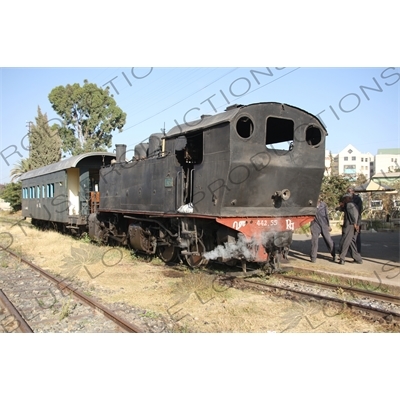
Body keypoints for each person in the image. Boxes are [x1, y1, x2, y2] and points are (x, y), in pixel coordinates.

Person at [338, 193, 363, 265]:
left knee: (345, 241)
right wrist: (357, 224)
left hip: (349, 225)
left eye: (344, 199)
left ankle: (342, 258)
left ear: (347, 198)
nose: (344, 201)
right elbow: (359, 215)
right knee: (352, 243)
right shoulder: (355, 205)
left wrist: (354, 223)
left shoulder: (349, 205)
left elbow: (351, 215)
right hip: (355, 226)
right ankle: (358, 258)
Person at [310, 197, 335, 263]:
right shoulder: (312, 205)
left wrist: (329, 225)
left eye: (318, 199)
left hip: (324, 224)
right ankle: (313, 257)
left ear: (320, 200)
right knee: (314, 241)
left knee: (328, 240)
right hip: (315, 225)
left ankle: (334, 254)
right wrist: (311, 227)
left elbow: (327, 215)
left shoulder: (324, 205)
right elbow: (310, 216)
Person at [347, 186, 363, 253]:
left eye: (350, 191)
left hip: (356, 220)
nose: (349, 193)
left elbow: (359, 211)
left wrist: (357, 223)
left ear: (353, 192)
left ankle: (357, 252)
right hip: (349, 221)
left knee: (356, 237)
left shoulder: (357, 199)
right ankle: (351, 250)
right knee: (348, 237)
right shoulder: (347, 199)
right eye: (348, 192)